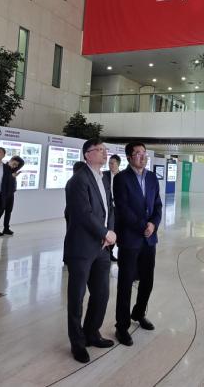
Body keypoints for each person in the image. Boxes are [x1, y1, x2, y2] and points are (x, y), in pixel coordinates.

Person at [63, 138, 116, 363]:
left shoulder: (103, 178)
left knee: (101, 293)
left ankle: (92, 333)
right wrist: (105, 232)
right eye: (99, 150)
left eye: (105, 150)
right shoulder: (78, 180)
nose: (104, 153)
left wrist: (109, 231)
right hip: (82, 247)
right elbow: (83, 214)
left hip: (102, 247)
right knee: (76, 298)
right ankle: (77, 342)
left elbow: (109, 208)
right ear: (87, 154)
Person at [113, 141, 162, 347]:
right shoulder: (121, 178)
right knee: (125, 284)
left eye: (144, 153)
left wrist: (153, 224)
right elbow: (123, 209)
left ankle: (139, 313)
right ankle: (121, 326)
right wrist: (143, 226)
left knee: (147, 280)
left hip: (149, 239)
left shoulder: (151, 177)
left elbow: (157, 205)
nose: (143, 156)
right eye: (138, 153)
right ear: (129, 157)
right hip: (130, 238)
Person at [0, 155, 24, 236]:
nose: (15, 166)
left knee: (8, 212)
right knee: (0, 212)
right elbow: (2, 180)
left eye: (16, 165)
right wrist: (11, 176)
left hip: (11, 194)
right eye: (14, 164)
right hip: (3, 194)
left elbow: (21, 164)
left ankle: (6, 228)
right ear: (10, 160)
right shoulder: (3, 168)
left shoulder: (14, 169)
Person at [103, 154, 121, 262]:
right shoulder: (104, 175)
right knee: (109, 229)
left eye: (112, 163)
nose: (110, 165)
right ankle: (107, 253)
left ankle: (111, 251)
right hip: (108, 207)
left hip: (119, 208)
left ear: (118, 164)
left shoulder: (122, 176)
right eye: (109, 163)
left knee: (117, 229)